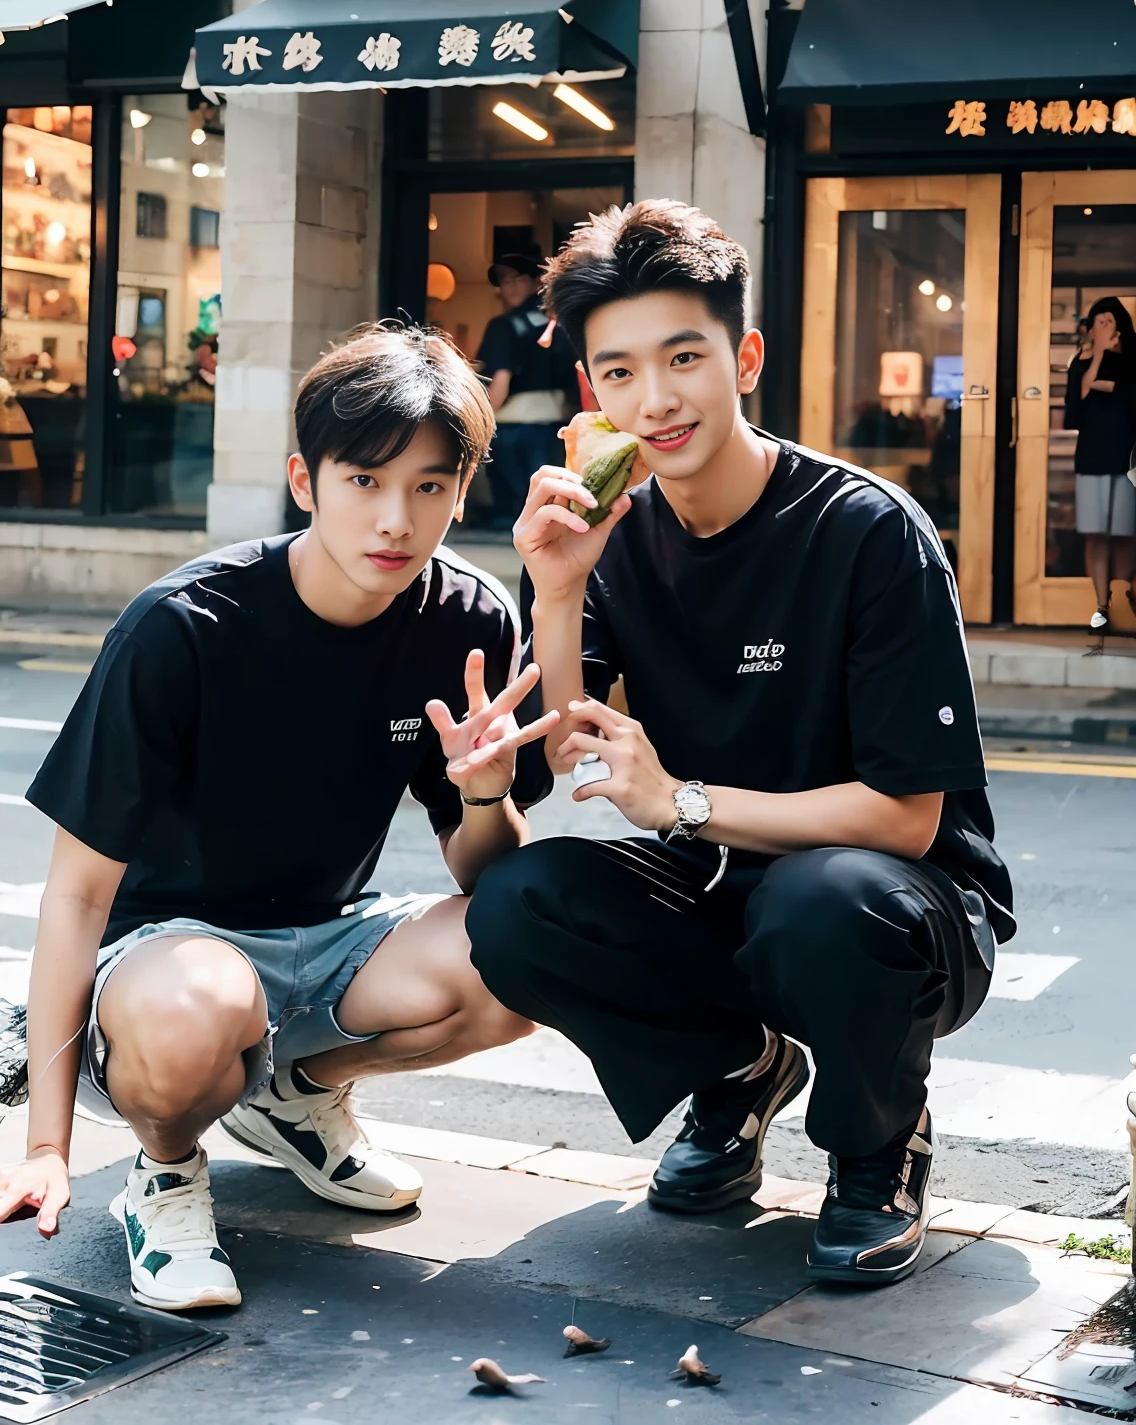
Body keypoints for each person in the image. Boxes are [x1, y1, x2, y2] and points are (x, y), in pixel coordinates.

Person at [466, 200, 1014, 1288]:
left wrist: (681, 801)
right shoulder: (614, 533)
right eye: (617, 372)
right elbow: (578, 753)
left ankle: (874, 1150)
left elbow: (903, 820)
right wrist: (558, 591)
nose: (654, 399)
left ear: (744, 358)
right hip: (721, 885)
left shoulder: (864, 531)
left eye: (683, 358)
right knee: (519, 905)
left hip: (896, 906)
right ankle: (741, 1067)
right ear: (591, 392)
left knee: (818, 902)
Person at [0, 324, 557, 1312]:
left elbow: (487, 879)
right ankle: (165, 1174)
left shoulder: (466, 621)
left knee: (531, 943)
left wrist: (482, 795)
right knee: (198, 1009)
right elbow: (78, 898)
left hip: (326, 941)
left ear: (462, 493)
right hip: (160, 969)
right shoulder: (184, 628)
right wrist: (46, 1145)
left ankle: (291, 1097)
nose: (395, 519)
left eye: (429, 486)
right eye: (364, 482)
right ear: (305, 481)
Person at [477, 247, 578, 528]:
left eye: (517, 278)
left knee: (510, 515)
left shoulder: (504, 326)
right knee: (547, 506)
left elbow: (501, 381)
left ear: (537, 282)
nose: (509, 286)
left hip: (511, 429)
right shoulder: (562, 325)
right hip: (556, 428)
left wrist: (478, 422)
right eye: (503, 280)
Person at [1064, 296, 1136, 630]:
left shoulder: (1132, 361)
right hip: (1092, 456)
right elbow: (1075, 410)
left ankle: (1123, 605)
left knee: (1124, 533)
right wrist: (1096, 363)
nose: (1105, 326)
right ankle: (1100, 607)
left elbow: (1127, 395)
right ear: (1090, 328)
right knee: (1095, 533)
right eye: (1099, 321)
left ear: (1121, 328)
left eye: (1110, 320)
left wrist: (1102, 383)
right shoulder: (1080, 361)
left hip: (1126, 457)